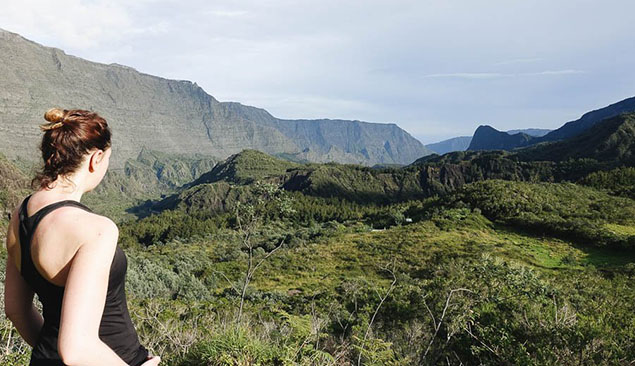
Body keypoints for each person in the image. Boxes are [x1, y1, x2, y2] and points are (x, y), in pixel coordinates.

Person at [3, 108, 161, 366]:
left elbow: (15, 310)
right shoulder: (96, 230)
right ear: (95, 159)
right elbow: (77, 349)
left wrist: (49, 354)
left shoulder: (20, 215)